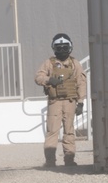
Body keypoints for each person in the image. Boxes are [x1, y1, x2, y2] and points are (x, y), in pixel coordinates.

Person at [35, 33, 87, 167]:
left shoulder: (74, 64)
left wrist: (81, 102)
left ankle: (69, 160)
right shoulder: (49, 63)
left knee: (69, 131)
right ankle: (50, 162)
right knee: (52, 132)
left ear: (70, 48)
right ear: (54, 48)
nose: (62, 51)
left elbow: (81, 83)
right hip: (55, 102)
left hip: (70, 102)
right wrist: (49, 79)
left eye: (65, 48)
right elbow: (38, 77)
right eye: (59, 48)